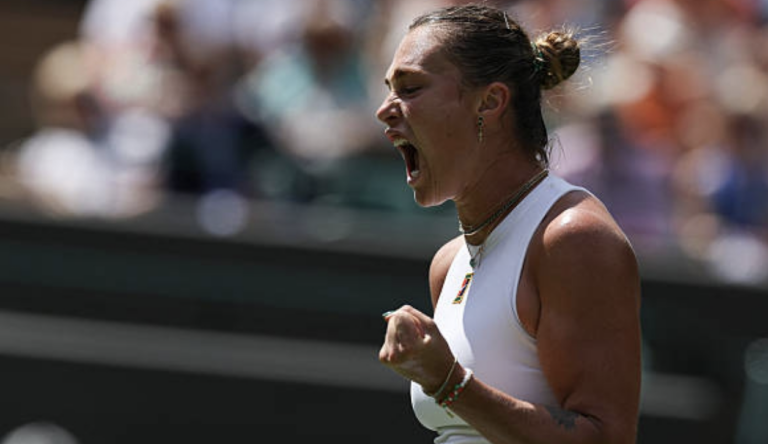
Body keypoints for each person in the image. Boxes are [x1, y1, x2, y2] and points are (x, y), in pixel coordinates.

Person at [376, 4, 642, 444]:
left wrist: (449, 384)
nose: (385, 109)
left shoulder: (573, 239)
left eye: (411, 87)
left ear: (491, 101)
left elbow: (607, 437)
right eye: (389, 89)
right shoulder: (448, 264)